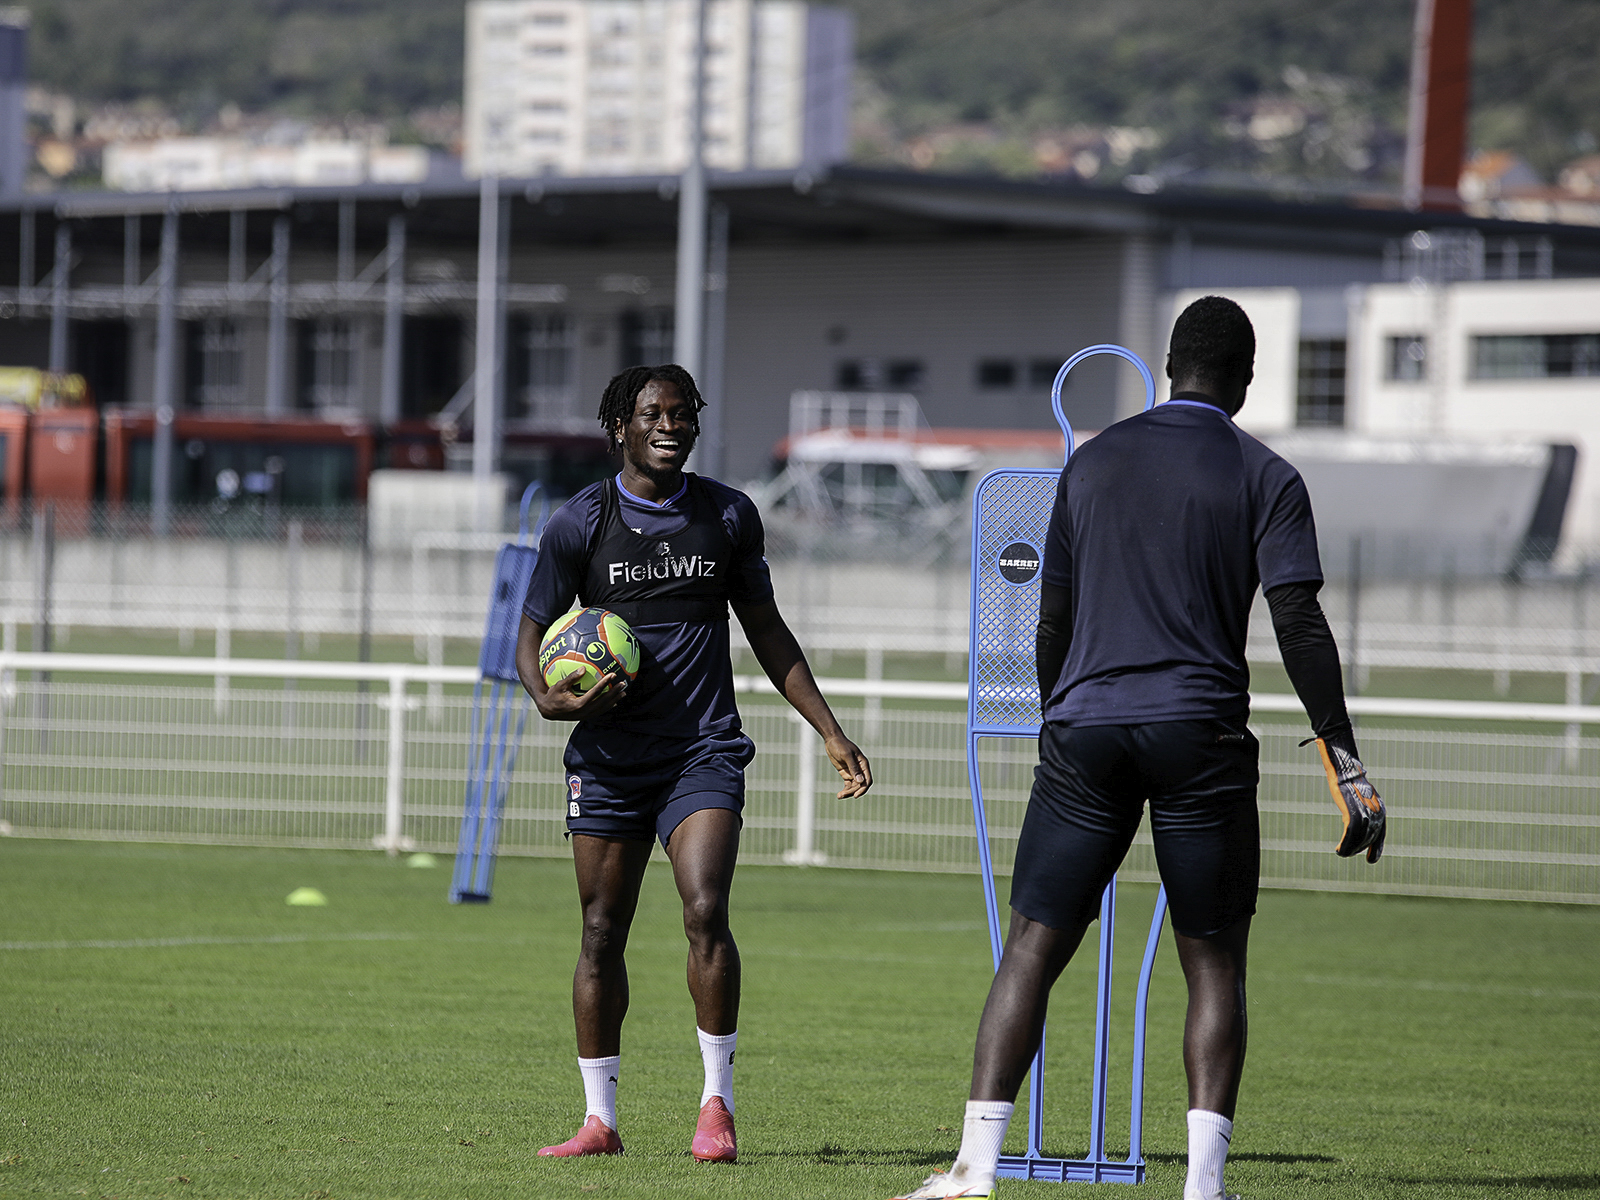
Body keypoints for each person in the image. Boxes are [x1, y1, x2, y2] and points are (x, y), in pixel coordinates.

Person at [893, 296, 1385, 1200]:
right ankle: (1203, 1186)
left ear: (1166, 368)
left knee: (1031, 947)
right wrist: (1342, 755)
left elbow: (1051, 620)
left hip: (1085, 731)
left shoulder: (1091, 462)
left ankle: (972, 1170)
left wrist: (1061, 721)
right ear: (1245, 379)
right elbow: (1299, 621)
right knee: (1214, 963)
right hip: (1200, 734)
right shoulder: (1267, 473)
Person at [516, 363, 873, 1164]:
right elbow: (530, 630)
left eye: (683, 414)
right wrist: (548, 699)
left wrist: (829, 728)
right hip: (609, 758)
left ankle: (717, 1107)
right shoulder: (579, 524)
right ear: (621, 425)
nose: (670, 427)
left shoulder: (728, 515)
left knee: (705, 908)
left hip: (701, 750)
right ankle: (599, 1120)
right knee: (601, 930)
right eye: (653, 414)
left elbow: (768, 630)